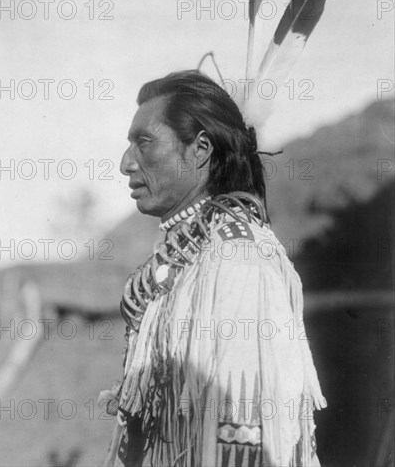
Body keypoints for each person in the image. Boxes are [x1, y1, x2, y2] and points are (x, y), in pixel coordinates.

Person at [101, 70, 326, 467]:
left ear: (200, 148)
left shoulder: (237, 258)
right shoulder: (186, 258)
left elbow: (246, 429)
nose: (125, 163)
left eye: (144, 142)